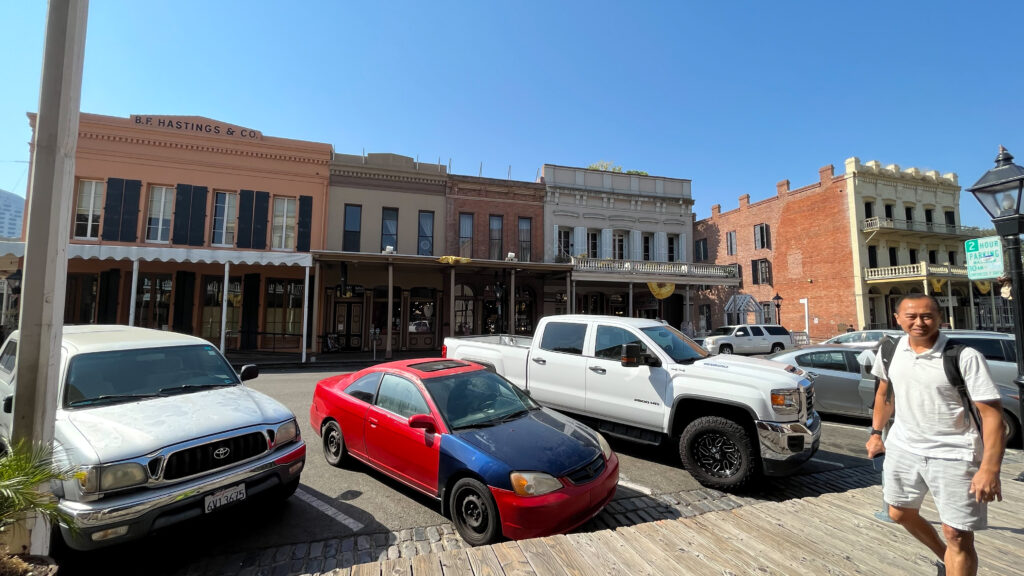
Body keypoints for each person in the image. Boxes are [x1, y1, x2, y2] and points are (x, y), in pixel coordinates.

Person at [865, 294, 1005, 576]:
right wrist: (876, 433)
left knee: (957, 534)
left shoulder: (964, 356)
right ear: (898, 318)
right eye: (911, 316)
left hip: (955, 454)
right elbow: (884, 393)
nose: (919, 322)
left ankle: (955, 557)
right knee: (898, 512)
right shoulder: (890, 350)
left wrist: (990, 469)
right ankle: (947, 558)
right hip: (904, 448)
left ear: (940, 318)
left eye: (927, 316)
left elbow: (992, 416)